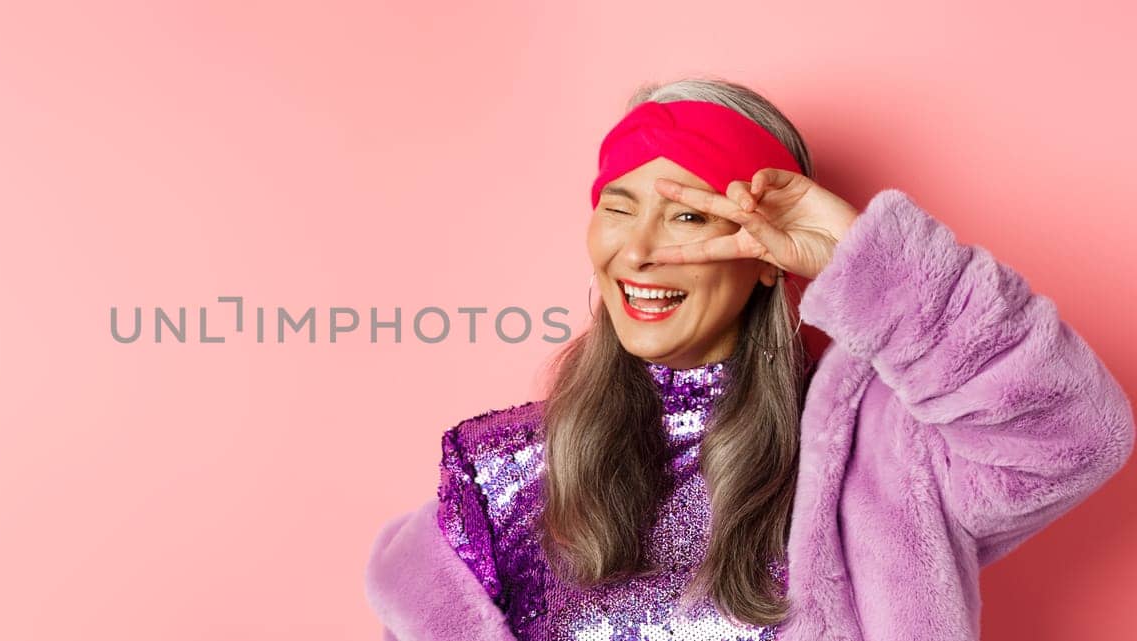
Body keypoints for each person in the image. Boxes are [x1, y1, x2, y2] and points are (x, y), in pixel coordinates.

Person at [362, 77, 1135, 641]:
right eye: (618, 207)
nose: (638, 251)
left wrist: (858, 255)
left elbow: (1072, 432)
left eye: (689, 215)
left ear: (767, 255)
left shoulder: (880, 455)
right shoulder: (503, 472)